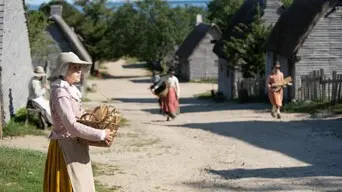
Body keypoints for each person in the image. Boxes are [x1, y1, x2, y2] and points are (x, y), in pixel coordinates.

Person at [43, 52, 114, 192]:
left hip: (76, 145)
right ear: (64, 71)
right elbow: (71, 125)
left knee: (82, 184)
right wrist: (100, 134)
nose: (79, 71)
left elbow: (78, 116)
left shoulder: (70, 91)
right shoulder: (60, 93)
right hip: (65, 148)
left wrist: (94, 117)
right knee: (73, 185)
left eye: (79, 67)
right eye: (74, 67)